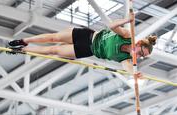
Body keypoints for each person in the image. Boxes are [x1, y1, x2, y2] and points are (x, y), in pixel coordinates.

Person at [8, 18, 157, 77]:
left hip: (87, 50)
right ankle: (24, 40)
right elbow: (111, 26)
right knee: (53, 37)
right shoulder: (126, 35)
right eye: (141, 52)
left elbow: (128, 68)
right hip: (86, 36)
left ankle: (22, 50)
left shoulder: (126, 59)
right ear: (138, 44)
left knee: (53, 50)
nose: (139, 56)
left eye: (142, 56)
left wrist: (134, 75)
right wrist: (127, 20)